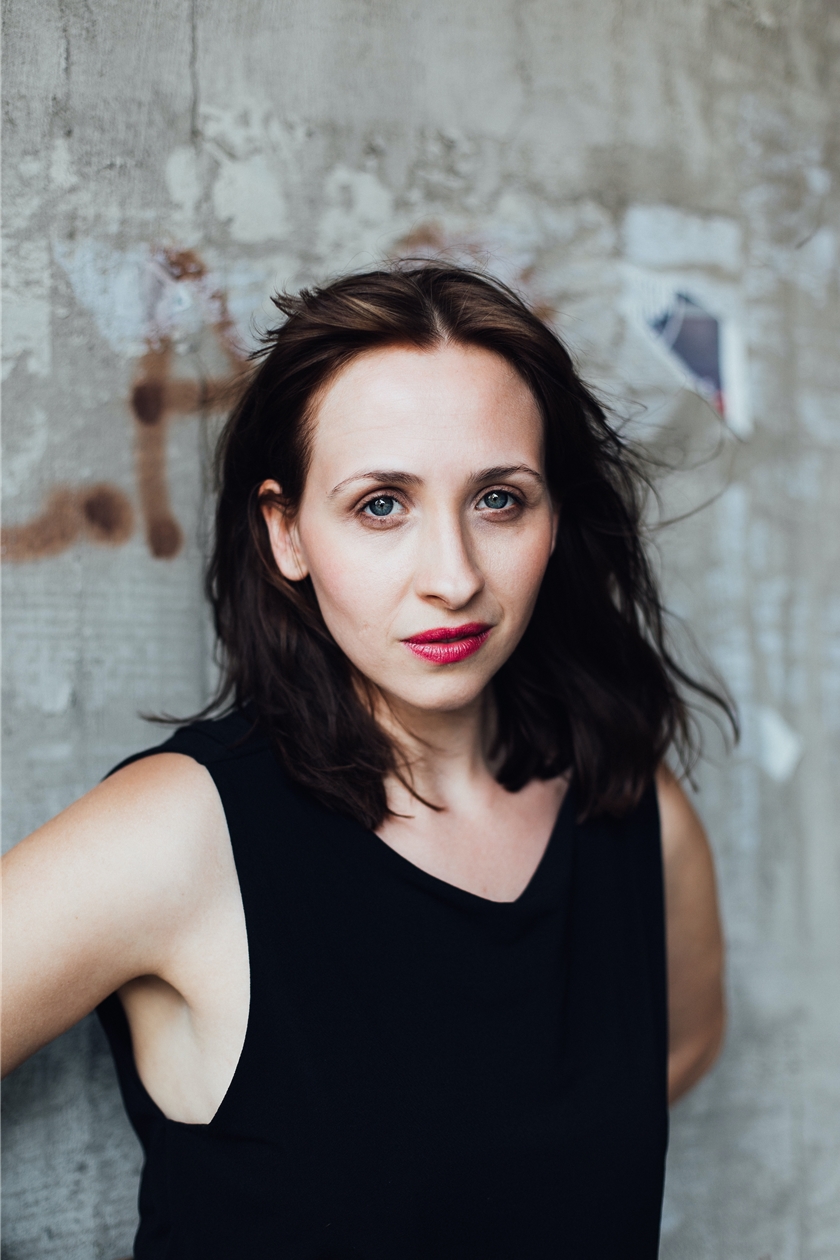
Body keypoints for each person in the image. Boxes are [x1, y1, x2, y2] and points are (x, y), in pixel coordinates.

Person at [3, 264, 728, 1259]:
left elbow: (678, 1050)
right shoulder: (184, 832)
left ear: (555, 519)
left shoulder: (636, 811)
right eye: (382, 505)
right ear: (286, 533)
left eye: (500, 500)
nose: (453, 577)